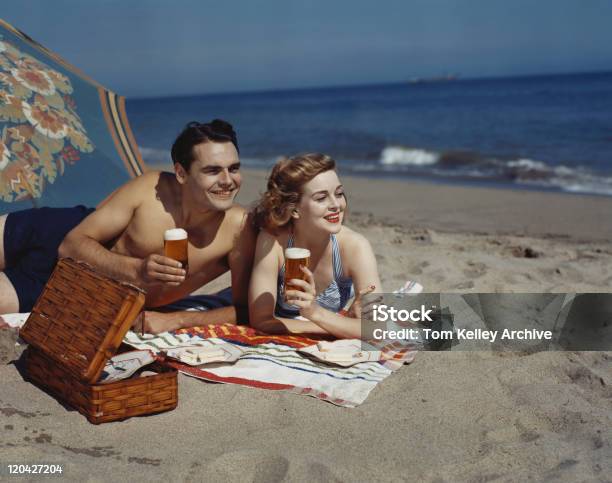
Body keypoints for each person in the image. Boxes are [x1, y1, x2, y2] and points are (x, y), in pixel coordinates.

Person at [0, 119, 256, 334]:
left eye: (233, 168)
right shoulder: (150, 187)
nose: (227, 181)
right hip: (55, 232)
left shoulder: (239, 229)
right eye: (213, 170)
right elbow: (70, 245)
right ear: (181, 173)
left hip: (77, 290)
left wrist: (173, 320)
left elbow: (247, 309)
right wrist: (138, 270)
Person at [248, 153, 381, 338]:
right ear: (294, 209)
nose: (336, 205)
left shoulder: (355, 247)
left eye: (339, 193)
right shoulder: (273, 241)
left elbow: (377, 329)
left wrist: (314, 313)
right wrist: (340, 325)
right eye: (321, 198)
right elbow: (261, 320)